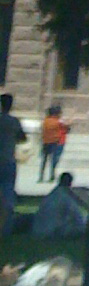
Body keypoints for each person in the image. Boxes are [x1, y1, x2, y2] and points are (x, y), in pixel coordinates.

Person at [0, 94, 27, 237]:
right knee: (7, 194)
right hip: (8, 161)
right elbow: (22, 138)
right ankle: (5, 228)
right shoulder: (14, 121)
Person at [31, 172, 86, 238]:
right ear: (70, 183)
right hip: (52, 231)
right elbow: (77, 216)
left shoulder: (52, 195)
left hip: (39, 230)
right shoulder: (66, 197)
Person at [38, 107, 69, 185]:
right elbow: (66, 129)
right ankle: (52, 175)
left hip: (45, 142)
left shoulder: (45, 121)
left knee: (44, 160)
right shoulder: (58, 122)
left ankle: (41, 176)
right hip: (54, 142)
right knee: (53, 160)